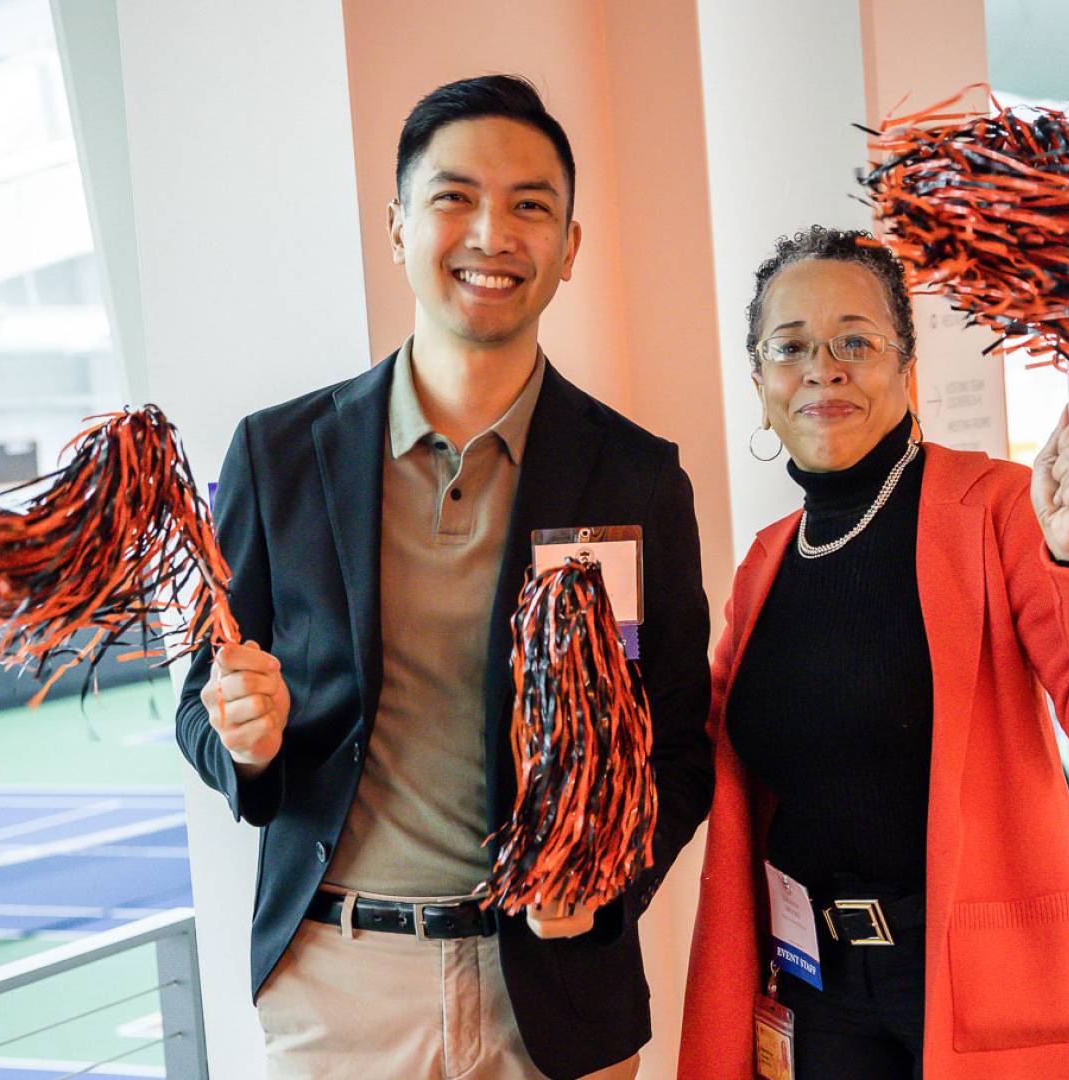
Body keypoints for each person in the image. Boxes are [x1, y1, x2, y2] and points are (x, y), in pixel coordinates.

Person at [173, 75, 713, 1079]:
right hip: (340, 984)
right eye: (454, 198)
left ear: (569, 249)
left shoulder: (635, 475)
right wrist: (240, 741)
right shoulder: (281, 454)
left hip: (559, 991)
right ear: (397, 226)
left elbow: (680, 743)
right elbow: (203, 714)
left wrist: (603, 885)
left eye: (530, 206)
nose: (491, 234)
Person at [677, 226, 1069, 1079]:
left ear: (906, 368)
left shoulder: (996, 509)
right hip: (810, 979)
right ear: (760, 382)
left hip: (968, 975)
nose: (822, 368)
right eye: (790, 347)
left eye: (855, 343)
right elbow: (711, 766)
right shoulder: (765, 562)